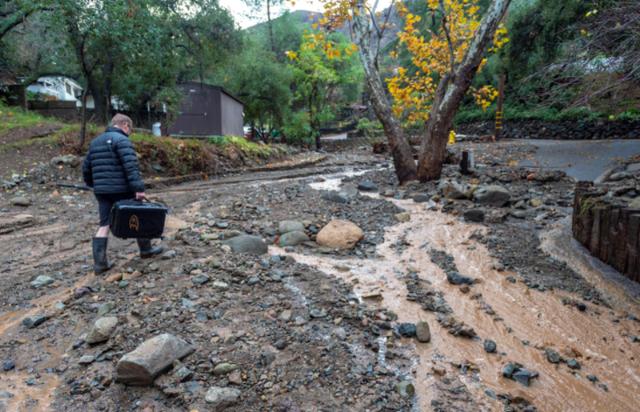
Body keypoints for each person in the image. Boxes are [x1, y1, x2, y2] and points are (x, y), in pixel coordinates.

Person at [82, 113, 162, 274]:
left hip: (102, 191)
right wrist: (138, 189)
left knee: (104, 224)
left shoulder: (95, 142)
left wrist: (94, 185)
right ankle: (146, 250)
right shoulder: (122, 141)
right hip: (122, 189)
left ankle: (100, 264)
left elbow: (86, 168)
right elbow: (131, 167)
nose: (130, 132)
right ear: (124, 124)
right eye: (130, 129)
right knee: (140, 215)